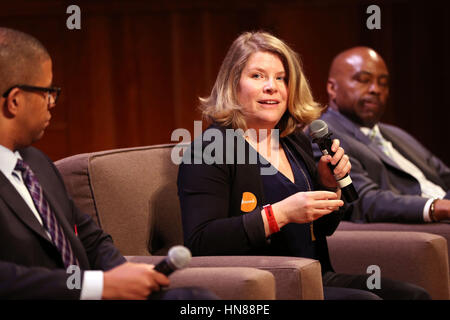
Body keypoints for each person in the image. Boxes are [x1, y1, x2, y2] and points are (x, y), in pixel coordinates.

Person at [177, 31, 430, 300]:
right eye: (258, 76)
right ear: (233, 84)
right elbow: (201, 241)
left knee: (412, 296)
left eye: (281, 78)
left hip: (316, 277)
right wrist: (280, 214)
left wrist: (328, 186)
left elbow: (323, 229)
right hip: (265, 285)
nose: (272, 86)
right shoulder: (210, 150)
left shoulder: (294, 140)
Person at [0, 27, 217, 300]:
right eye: (47, 92)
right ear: (15, 100)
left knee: (196, 300)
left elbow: (91, 238)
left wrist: (125, 276)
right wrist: (99, 286)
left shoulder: (36, 163)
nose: (52, 103)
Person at [312, 46, 450, 223]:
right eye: (363, 80)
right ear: (332, 88)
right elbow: (361, 199)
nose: (375, 89)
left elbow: (444, 174)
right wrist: (437, 207)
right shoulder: (325, 138)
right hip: (422, 224)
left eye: (383, 83)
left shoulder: (397, 134)